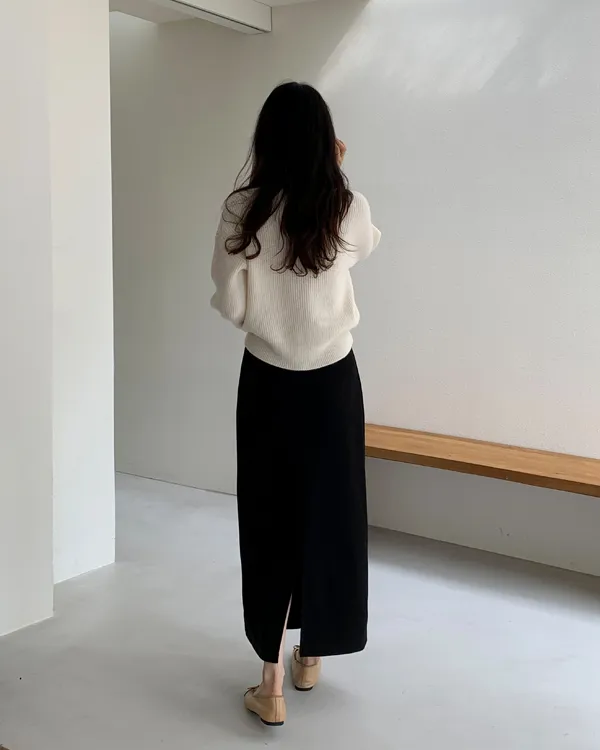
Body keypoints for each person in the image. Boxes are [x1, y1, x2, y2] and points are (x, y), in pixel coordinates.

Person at [210, 81, 381, 727]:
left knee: (269, 518)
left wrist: (265, 317)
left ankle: (271, 683)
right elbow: (366, 246)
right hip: (334, 381)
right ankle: (313, 655)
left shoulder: (243, 208)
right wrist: (335, 172)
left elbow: (230, 300)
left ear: (267, 139)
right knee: (332, 514)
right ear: (325, 141)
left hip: (267, 382)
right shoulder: (347, 206)